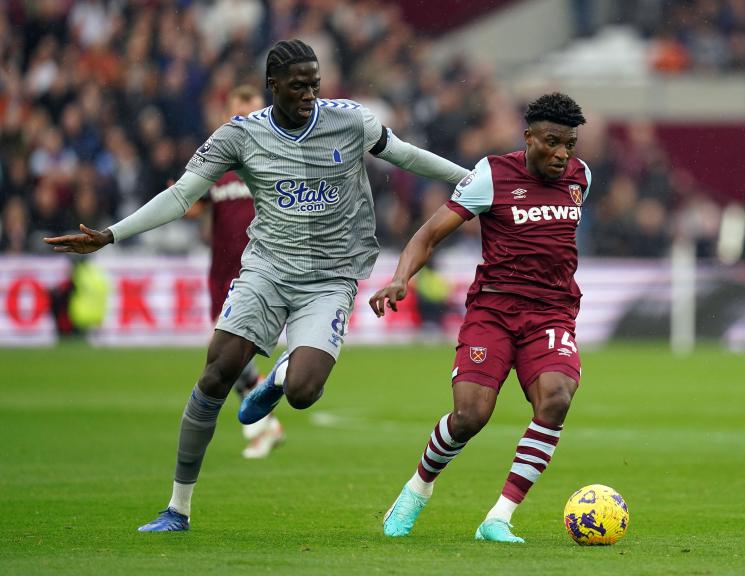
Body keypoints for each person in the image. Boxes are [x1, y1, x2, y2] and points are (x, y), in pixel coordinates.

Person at [44, 39, 469, 532]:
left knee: (306, 391)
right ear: (273, 87)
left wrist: (478, 185)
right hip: (266, 271)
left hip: (330, 277)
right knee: (215, 374)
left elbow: (410, 157)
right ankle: (177, 509)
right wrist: (113, 234)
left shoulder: (350, 120)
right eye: (298, 86)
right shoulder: (239, 136)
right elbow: (183, 195)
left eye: (314, 84)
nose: (310, 94)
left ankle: (279, 379)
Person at [369, 92, 590, 543]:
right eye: (552, 141)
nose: (562, 154)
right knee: (470, 414)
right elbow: (429, 233)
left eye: (570, 144)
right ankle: (417, 488)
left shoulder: (580, 177)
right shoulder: (492, 175)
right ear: (528, 138)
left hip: (551, 314)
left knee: (557, 398)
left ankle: (499, 517)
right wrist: (399, 279)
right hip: (493, 311)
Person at [194, 84, 285, 459]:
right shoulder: (215, 161)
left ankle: (265, 423)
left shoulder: (275, 158)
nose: (246, 115)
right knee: (226, 360)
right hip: (222, 274)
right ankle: (266, 421)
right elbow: (196, 211)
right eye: (239, 108)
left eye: (253, 109)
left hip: (264, 273)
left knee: (227, 360)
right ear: (227, 112)